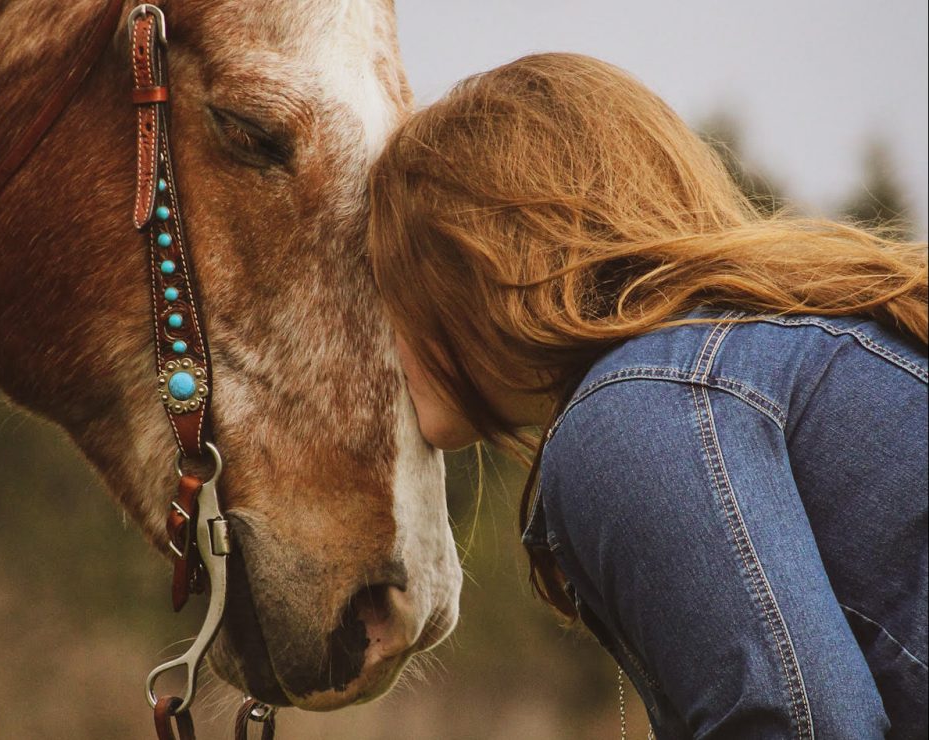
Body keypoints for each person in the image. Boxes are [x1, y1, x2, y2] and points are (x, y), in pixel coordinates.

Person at [367, 53, 927, 739]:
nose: (379, 331)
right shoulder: (722, 367)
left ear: (471, 270)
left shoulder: (632, 408)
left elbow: (794, 727)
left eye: (385, 280)